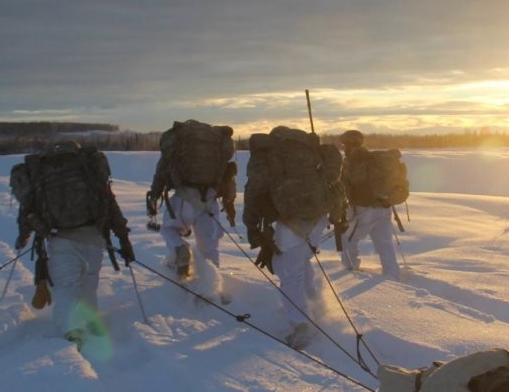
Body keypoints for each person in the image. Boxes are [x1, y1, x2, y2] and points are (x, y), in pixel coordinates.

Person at [11, 140, 135, 350]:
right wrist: (124, 239)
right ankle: (90, 321)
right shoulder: (87, 169)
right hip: (93, 235)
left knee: (66, 285)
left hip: (59, 237)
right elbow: (110, 204)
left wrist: (24, 236)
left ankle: (72, 331)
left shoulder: (40, 172)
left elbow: (28, 207)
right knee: (89, 281)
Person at [244, 126, 345, 348]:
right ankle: (315, 304)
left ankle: (301, 326)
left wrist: (251, 224)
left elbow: (254, 190)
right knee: (300, 262)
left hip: (289, 221)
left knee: (288, 273)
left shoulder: (267, 153)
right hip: (319, 217)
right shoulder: (309, 149)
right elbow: (332, 179)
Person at [146, 120, 237, 280]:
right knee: (209, 248)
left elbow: (161, 172)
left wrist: (155, 195)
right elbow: (229, 176)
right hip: (210, 199)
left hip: (184, 197)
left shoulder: (179, 144)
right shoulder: (217, 146)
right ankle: (211, 288)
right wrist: (229, 202)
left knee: (169, 229)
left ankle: (180, 248)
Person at [337, 129, 402, 280]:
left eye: (344, 145)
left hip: (363, 210)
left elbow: (345, 186)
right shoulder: (374, 159)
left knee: (348, 238)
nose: (343, 148)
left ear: (348, 144)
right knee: (384, 242)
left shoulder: (353, 161)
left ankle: (350, 269)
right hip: (384, 207)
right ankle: (392, 272)